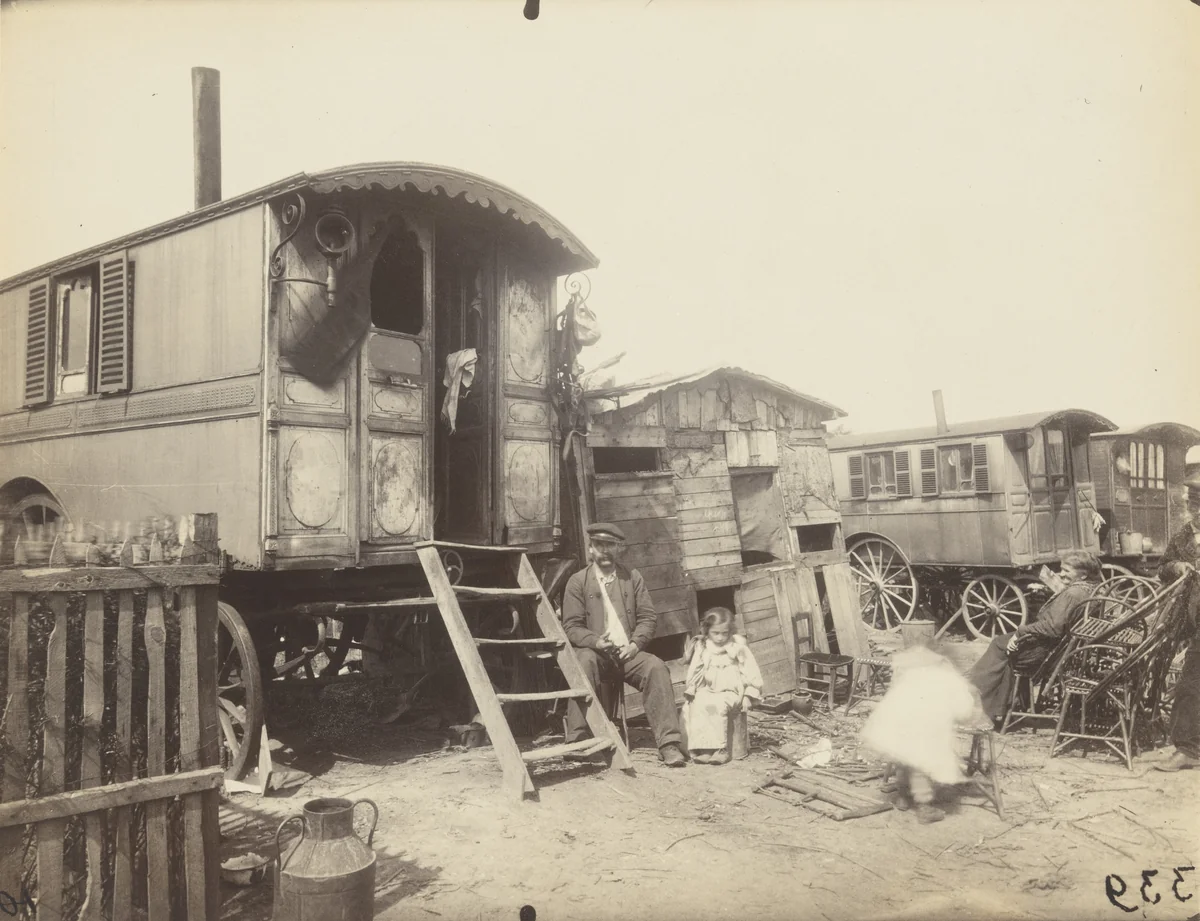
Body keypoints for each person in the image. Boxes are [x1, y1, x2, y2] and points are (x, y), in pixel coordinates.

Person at [561, 522, 687, 767]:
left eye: (611, 545)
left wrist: (635, 644)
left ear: (619, 549)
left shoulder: (632, 578)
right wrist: (596, 641)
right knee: (583, 660)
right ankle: (579, 740)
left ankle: (668, 744)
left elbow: (648, 618)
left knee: (656, 667)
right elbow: (572, 627)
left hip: (627, 655)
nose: (605, 551)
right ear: (591, 550)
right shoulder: (577, 582)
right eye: (599, 545)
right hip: (597, 654)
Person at [860, 642, 989, 824]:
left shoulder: (915, 670)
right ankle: (924, 807)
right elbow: (963, 711)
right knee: (921, 765)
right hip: (921, 728)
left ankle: (903, 797)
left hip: (895, 722)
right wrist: (973, 702)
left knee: (903, 759)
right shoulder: (951, 679)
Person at [968, 550, 1103, 723]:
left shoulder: (1073, 594)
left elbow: (1052, 627)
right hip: (1057, 650)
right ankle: (1009, 703)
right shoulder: (1091, 589)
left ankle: (980, 701)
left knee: (999, 645)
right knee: (1003, 643)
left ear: (1083, 575)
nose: (1061, 574)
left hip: (1043, 654)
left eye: (1066, 571)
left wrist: (1020, 632)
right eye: (1062, 569)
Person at [682, 607, 763, 765]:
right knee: (699, 704)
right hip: (710, 690)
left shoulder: (737, 648)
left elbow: (751, 672)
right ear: (707, 631)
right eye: (715, 633)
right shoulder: (704, 647)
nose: (720, 638)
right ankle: (705, 748)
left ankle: (721, 749)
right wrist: (693, 687)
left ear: (730, 631)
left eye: (724, 633)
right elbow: (696, 669)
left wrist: (748, 695)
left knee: (717, 706)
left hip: (731, 692)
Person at [1154, 510, 1200, 772]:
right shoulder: (1183, 535)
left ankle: (1189, 749)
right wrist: (1177, 567)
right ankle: (1188, 749)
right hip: (1193, 621)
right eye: (1194, 502)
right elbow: (1162, 568)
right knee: (1190, 686)